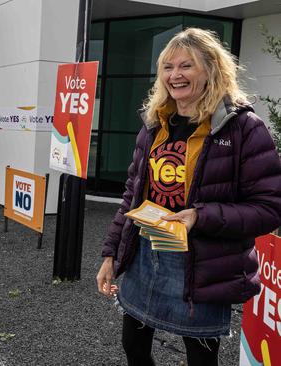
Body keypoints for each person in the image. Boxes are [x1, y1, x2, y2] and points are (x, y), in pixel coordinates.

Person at [96, 27, 281, 366]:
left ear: (211, 69)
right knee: (133, 347)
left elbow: (270, 208)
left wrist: (201, 215)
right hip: (145, 255)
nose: (174, 75)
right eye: (168, 67)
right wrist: (110, 254)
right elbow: (131, 197)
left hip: (203, 265)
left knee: (200, 360)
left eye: (186, 66)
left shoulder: (244, 128)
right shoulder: (154, 124)